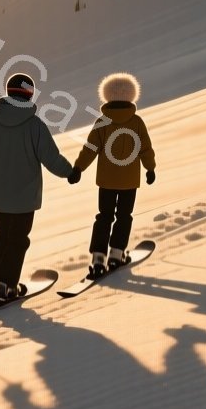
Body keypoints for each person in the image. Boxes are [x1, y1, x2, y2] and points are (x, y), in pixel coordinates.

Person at [0, 73, 76, 307]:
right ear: (30, 94)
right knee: (17, 240)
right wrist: (69, 172)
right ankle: (6, 286)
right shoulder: (35, 126)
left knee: (2, 236)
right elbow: (50, 157)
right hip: (24, 199)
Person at [68, 73, 157, 276]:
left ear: (107, 96)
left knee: (104, 216)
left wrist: (78, 168)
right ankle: (117, 253)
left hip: (106, 181)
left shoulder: (102, 122)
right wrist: (150, 168)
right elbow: (146, 148)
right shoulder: (136, 122)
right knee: (124, 216)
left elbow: (90, 149)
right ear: (131, 96)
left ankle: (98, 257)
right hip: (129, 181)